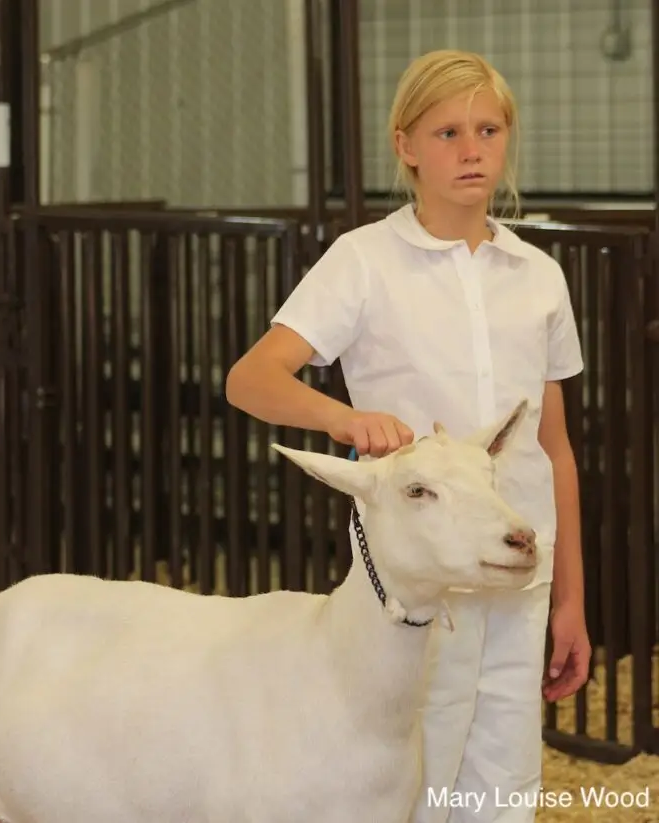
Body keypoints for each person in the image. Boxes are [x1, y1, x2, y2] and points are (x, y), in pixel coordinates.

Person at [225, 48, 591, 822]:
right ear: (405, 146)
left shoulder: (538, 275)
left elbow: (551, 449)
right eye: (448, 131)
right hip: (419, 582)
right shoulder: (363, 261)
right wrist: (341, 417)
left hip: (520, 568)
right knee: (418, 774)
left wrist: (571, 601)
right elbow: (251, 378)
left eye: (488, 129)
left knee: (505, 780)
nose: (471, 149)